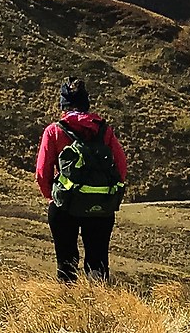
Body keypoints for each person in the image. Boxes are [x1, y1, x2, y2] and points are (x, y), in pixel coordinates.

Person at [34, 79, 128, 282]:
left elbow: (42, 172)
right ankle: (100, 306)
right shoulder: (104, 130)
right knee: (98, 262)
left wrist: (53, 196)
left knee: (66, 263)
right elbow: (121, 166)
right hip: (101, 206)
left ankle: (68, 306)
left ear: (63, 106)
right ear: (87, 104)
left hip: (66, 206)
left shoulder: (54, 131)